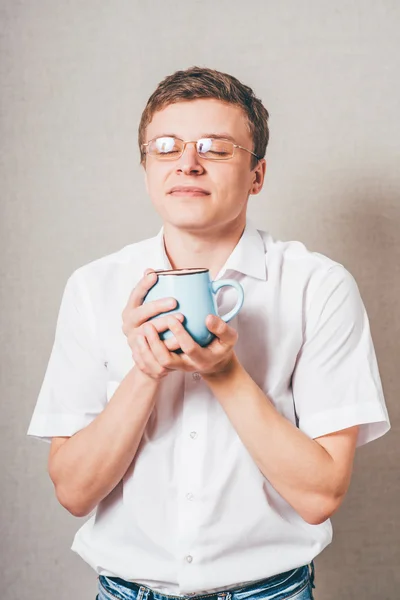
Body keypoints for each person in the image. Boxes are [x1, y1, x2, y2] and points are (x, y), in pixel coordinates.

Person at [27, 66, 390, 600]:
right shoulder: (93, 288)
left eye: (216, 149)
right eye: (167, 147)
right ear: (147, 167)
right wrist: (146, 370)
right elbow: (74, 492)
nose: (187, 164)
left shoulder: (318, 286)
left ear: (257, 175)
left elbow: (320, 495)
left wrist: (225, 373)